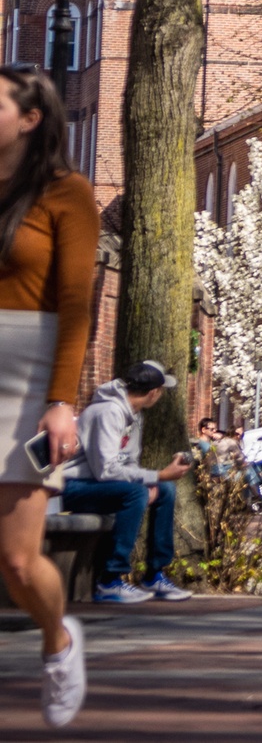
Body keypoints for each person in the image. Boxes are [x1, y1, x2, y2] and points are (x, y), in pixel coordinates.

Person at [0, 69, 99, 728]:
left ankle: (59, 641)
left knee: (15, 557)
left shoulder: (67, 194)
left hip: (27, 374)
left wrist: (62, 399)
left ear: (30, 118)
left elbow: (74, 306)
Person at [66, 358, 193, 605]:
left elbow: (129, 464)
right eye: (162, 391)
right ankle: (109, 580)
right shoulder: (106, 412)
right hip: (75, 487)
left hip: (103, 485)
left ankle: (155, 574)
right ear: (154, 393)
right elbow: (105, 471)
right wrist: (155, 476)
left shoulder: (134, 417)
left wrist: (153, 482)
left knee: (164, 489)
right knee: (136, 493)